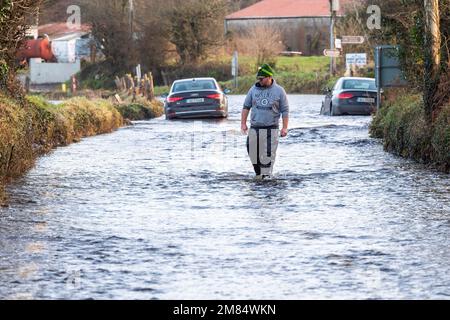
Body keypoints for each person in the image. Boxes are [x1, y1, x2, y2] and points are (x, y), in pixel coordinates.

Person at [241, 63, 289, 179]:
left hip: (271, 128)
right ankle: (259, 175)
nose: (260, 81)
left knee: (267, 155)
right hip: (255, 127)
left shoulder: (279, 91)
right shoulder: (253, 89)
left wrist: (285, 127)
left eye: (262, 79)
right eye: (259, 79)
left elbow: (285, 111)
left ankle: (266, 176)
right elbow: (246, 107)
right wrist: (243, 123)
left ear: (269, 77)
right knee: (251, 150)